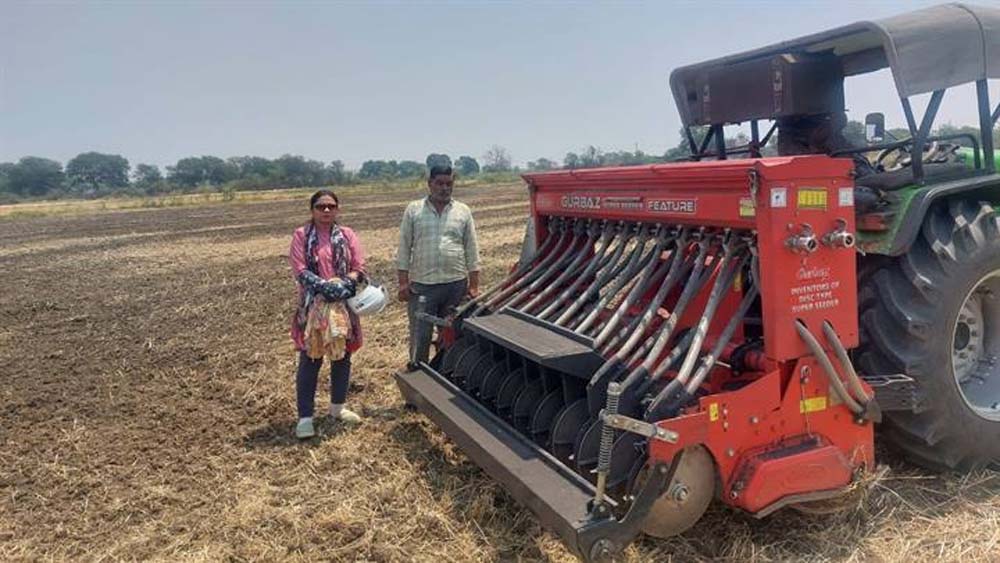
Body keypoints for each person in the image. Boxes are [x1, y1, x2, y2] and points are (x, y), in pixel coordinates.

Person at [289, 190, 367, 439]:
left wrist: (344, 283)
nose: (326, 211)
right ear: (311, 210)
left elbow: (359, 268)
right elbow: (300, 270)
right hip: (313, 307)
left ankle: (338, 408)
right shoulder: (301, 235)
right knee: (310, 358)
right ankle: (305, 418)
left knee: (341, 356)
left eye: (331, 206)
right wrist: (325, 287)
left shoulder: (347, 235)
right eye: (320, 206)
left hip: (342, 306)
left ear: (337, 210)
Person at [397, 165, 480, 362]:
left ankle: (447, 374)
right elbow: (404, 248)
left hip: (455, 285)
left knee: (453, 335)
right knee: (421, 336)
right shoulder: (414, 210)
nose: (444, 188)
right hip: (423, 287)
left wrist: (474, 284)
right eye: (439, 183)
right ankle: (418, 373)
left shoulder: (463, 211)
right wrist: (402, 283)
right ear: (430, 184)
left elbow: (471, 248)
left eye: (449, 183)